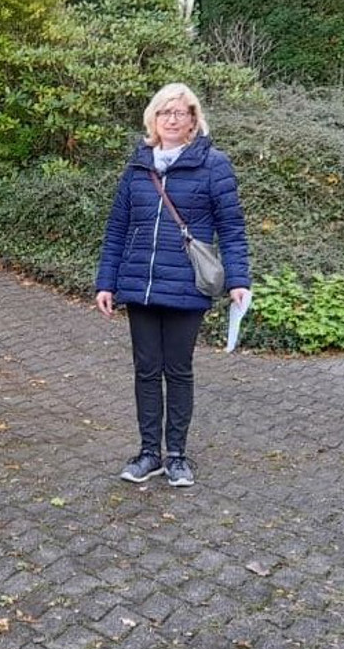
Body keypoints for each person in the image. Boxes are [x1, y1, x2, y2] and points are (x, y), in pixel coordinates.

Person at [95, 83, 251, 487]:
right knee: (146, 371)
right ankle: (149, 453)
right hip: (141, 286)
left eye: (180, 113)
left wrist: (238, 279)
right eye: (164, 112)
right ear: (153, 119)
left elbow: (232, 228)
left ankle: (177, 455)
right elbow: (117, 229)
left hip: (186, 288)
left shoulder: (214, 164)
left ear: (194, 120)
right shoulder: (138, 166)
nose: (172, 119)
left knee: (178, 371)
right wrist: (106, 282)